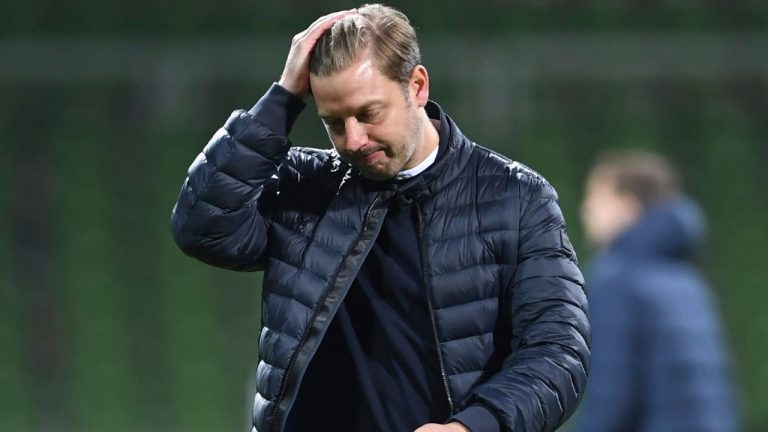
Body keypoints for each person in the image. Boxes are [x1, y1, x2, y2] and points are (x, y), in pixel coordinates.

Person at [171, 5, 589, 432]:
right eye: (334, 122)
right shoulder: (303, 184)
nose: (353, 140)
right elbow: (200, 227)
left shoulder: (516, 198)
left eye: (368, 114)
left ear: (417, 85)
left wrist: (471, 427)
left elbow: (558, 352)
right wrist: (283, 97)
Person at [573, 150, 739, 432]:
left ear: (626, 206)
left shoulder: (616, 280)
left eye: (596, 197)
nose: (586, 208)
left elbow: (610, 398)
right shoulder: (688, 281)